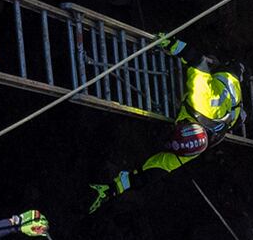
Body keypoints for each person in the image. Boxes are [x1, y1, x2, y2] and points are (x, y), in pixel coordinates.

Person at [87, 43, 243, 212]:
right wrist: (170, 42)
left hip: (231, 113)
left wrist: (114, 189)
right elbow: (197, 60)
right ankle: (239, 70)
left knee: (240, 118)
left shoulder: (193, 149)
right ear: (185, 124)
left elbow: (156, 169)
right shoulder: (199, 98)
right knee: (232, 70)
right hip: (227, 79)